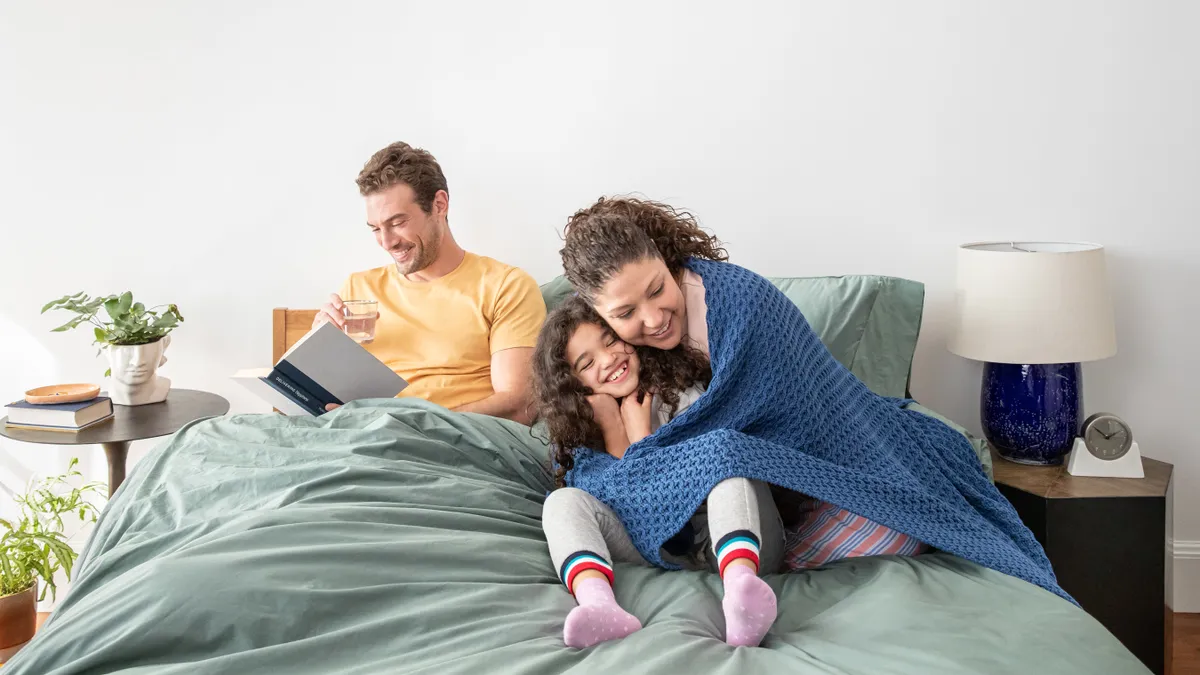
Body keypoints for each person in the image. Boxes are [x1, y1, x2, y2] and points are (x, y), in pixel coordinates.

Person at [531, 296, 785, 648]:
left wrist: (642, 440)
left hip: (739, 539)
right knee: (562, 502)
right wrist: (615, 433)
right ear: (574, 385)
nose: (608, 360)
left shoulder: (678, 395)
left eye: (610, 341)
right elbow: (629, 513)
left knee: (728, 455)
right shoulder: (583, 438)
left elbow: (701, 470)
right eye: (587, 363)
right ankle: (598, 604)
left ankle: (742, 593)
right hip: (657, 550)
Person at [313, 142, 546, 424]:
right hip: (361, 438)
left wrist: (409, 422)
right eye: (375, 228)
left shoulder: (505, 286)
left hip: (450, 440)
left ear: (439, 205)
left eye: (398, 222)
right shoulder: (358, 289)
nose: (387, 242)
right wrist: (321, 348)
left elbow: (518, 405)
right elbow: (330, 404)